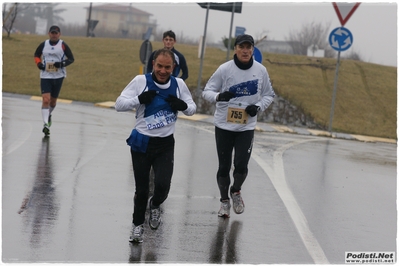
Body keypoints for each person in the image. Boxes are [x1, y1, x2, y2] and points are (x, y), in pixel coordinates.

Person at [115, 48, 196, 243]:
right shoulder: (140, 81)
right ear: (153, 64)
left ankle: (156, 205)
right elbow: (119, 104)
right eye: (159, 66)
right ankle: (137, 226)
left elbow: (192, 108)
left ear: (173, 68)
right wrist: (139, 99)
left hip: (165, 144)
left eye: (167, 67)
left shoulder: (179, 84)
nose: (162, 70)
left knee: (162, 186)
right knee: (141, 190)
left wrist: (182, 106)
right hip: (142, 141)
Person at [202, 34, 275, 218]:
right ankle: (224, 201)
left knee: (241, 166)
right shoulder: (225, 69)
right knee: (224, 167)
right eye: (241, 47)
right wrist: (219, 96)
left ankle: (236, 191)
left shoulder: (261, 71)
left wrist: (257, 107)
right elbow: (207, 92)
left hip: (246, 127)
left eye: (248, 47)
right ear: (235, 49)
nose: (245, 51)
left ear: (252, 50)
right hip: (224, 126)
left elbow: (268, 95)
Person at [34, 25, 75, 136]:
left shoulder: (63, 45)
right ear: (49, 33)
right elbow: (36, 55)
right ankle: (46, 124)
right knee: (46, 100)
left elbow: (71, 59)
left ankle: (48, 114)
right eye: (52, 33)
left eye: (56, 33)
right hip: (45, 76)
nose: (54, 35)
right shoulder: (44, 44)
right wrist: (39, 64)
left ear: (59, 34)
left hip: (58, 76)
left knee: (52, 102)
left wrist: (61, 64)